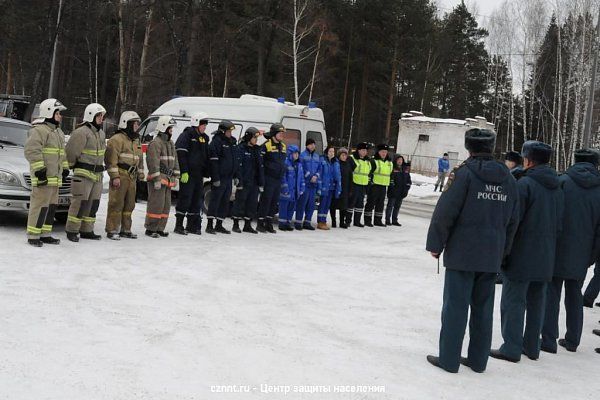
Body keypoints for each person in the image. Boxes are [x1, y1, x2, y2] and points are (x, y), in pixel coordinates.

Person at [426, 128, 520, 374]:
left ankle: (449, 359)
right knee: (483, 309)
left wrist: (436, 244)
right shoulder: (509, 178)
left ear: (469, 148)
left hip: (462, 253)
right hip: (491, 254)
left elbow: (445, 211)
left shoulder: (464, 174)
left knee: (455, 308)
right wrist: (504, 250)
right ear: (491, 147)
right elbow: (513, 220)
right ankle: (478, 361)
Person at [491, 140, 564, 363]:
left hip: (522, 251)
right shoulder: (558, 185)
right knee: (536, 301)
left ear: (529, 159)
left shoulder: (524, 185)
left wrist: (503, 251)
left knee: (514, 301)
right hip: (546, 253)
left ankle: (511, 347)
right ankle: (532, 347)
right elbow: (560, 221)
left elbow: (514, 221)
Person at [542, 149, 600, 353]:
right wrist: (592, 255)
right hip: (583, 251)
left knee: (552, 293)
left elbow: (552, 214)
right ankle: (573, 339)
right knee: (575, 294)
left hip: (557, 246)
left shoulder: (563, 181)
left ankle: (548, 338)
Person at [24, 98, 69, 247]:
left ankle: (45, 234)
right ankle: (33, 235)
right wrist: (39, 170)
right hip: (43, 178)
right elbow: (31, 151)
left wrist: (65, 168)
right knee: (39, 206)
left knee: (50, 207)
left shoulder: (58, 132)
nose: (60, 116)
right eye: (58, 113)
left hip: (54, 179)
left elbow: (61, 154)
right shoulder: (39, 130)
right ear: (49, 112)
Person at [65, 103, 107, 242]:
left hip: (97, 175)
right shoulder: (81, 132)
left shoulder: (101, 133)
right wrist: (70, 166)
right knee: (79, 203)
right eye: (99, 116)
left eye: (102, 116)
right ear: (91, 116)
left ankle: (87, 230)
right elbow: (71, 153)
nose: (102, 119)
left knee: (93, 204)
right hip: (83, 174)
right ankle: (72, 230)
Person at [104, 111, 144, 240]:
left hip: (132, 177)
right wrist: (114, 176)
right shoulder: (116, 139)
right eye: (135, 123)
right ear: (127, 123)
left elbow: (140, 158)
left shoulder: (136, 140)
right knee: (116, 204)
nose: (137, 126)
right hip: (120, 176)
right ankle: (112, 229)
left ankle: (126, 229)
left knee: (129, 205)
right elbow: (111, 160)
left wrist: (141, 173)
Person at [174, 112, 210, 235]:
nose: (205, 127)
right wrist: (184, 171)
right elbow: (181, 154)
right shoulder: (186, 135)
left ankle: (192, 225)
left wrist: (207, 170)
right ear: (196, 123)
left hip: (198, 175)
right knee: (185, 198)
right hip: (188, 174)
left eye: (205, 124)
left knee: (197, 200)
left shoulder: (204, 138)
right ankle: (178, 225)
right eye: (203, 124)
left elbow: (205, 157)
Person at [144, 116, 180, 238]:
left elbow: (175, 161)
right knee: (156, 204)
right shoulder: (156, 143)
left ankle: (160, 228)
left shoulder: (170, 143)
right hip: (158, 180)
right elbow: (152, 162)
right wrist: (156, 179)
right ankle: (150, 228)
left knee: (165, 206)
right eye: (170, 128)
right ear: (164, 127)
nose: (172, 130)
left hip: (168, 180)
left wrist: (176, 175)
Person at [206, 120, 238, 234]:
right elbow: (213, 162)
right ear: (222, 131)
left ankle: (219, 224)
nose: (230, 133)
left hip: (229, 178)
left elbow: (235, 160)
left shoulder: (232, 142)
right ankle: (209, 225)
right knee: (215, 201)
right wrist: (215, 178)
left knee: (225, 201)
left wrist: (235, 175)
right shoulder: (217, 142)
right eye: (229, 131)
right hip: (219, 177)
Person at [231, 127, 264, 234]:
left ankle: (247, 224)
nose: (256, 140)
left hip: (254, 182)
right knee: (240, 202)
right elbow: (238, 166)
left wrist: (261, 182)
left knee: (252, 204)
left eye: (257, 138)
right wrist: (239, 180)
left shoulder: (256, 150)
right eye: (254, 137)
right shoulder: (240, 148)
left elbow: (260, 167)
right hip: (244, 181)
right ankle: (235, 224)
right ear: (249, 137)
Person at [257, 123, 287, 233]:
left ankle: (269, 223)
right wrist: (262, 179)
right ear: (274, 133)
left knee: (274, 202)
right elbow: (261, 163)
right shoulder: (266, 145)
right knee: (266, 201)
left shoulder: (283, 146)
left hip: (278, 179)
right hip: (268, 178)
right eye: (280, 133)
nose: (282, 135)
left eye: (283, 133)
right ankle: (260, 223)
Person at [295, 138, 322, 230]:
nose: (313, 146)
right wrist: (310, 177)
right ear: (307, 145)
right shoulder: (302, 155)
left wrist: (316, 176)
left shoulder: (317, 156)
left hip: (313, 184)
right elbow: (301, 168)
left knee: (311, 205)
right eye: (311, 144)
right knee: (302, 204)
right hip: (305, 183)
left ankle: (307, 222)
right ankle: (298, 223)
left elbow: (319, 168)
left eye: (314, 144)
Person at [364, 144, 393, 227]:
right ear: (378, 152)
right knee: (371, 203)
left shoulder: (389, 163)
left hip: (383, 186)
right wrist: (370, 183)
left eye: (385, 152)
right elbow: (369, 172)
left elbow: (390, 174)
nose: (384, 153)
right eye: (382, 152)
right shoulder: (374, 161)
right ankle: (367, 220)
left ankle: (378, 220)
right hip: (374, 185)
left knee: (380, 204)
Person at [279, 145, 305, 231]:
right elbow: (283, 177)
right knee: (284, 207)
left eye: (297, 153)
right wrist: (285, 188)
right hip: (287, 191)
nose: (296, 155)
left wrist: (302, 188)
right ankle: (282, 223)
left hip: (295, 191)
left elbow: (301, 178)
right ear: (290, 154)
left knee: (291, 208)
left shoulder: (299, 165)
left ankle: (287, 223)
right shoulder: (286, 163)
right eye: (295, 153)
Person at [317, 145, 342, 230]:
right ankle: (320, 221)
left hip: (332, 187)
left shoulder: (335, 162)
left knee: (327, 205)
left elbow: (338, 175)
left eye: (333, 152)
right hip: (324, 186)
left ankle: (324, 220)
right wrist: (319, 187)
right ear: (327, 152)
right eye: (330, 151)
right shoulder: (323, 160)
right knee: (323, 204)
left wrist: (338, 187)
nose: (332, 153)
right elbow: (320, 174)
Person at [348, 142, 372, 227]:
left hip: (363, 185)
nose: (365, 152)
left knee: (360, 204)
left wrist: (368, 184)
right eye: (363, 150)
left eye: (366, 150)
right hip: (354, 184)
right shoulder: (352, 158)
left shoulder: (368, 161)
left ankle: (357, 221)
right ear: (358, 150)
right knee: (351, 203)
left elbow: (368, 173)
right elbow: (349, 172)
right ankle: (347, 220)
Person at [385, 155, 412, 226]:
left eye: (401, 160)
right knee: (390, 206)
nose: (400, 161)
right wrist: (392, 188)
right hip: (393, 192)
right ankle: (387, 220)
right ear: (396, 160)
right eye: (398, 160)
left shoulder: (405, 170)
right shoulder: (393, 168)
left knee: (397, 207)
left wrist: (406, 189)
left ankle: (394, 220)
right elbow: (391, 180)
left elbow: (408, 180)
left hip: (401, 192)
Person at [330, 147, 352, 229]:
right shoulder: (336, 163)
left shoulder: (348, 165)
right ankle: (333, 221)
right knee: (334, 205)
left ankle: (342, 222)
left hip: (345, 188)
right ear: (339, 155)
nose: (344, 157)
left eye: (345, 155)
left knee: (343, 207)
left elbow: (350, 178)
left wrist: (350, 189)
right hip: (336, 188)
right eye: (342, 155)